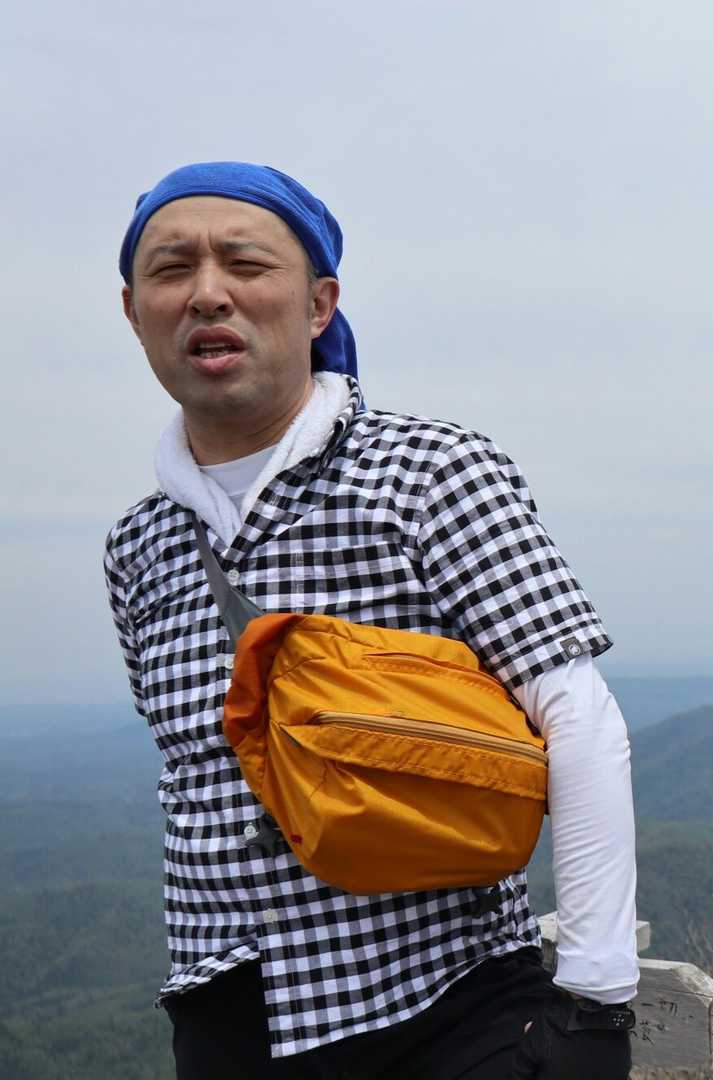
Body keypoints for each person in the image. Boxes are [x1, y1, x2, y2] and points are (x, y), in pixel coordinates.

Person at [104, 161, 639, 1079]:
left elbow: (577, 717)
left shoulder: (429, 475)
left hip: (444, 1002)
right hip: (228, 1016)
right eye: (171, 269)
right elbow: (191, 776)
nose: (207, 293)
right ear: (133, 312)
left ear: (319, 305)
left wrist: (594, 1005)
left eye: (245, 263)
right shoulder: (138, 545)